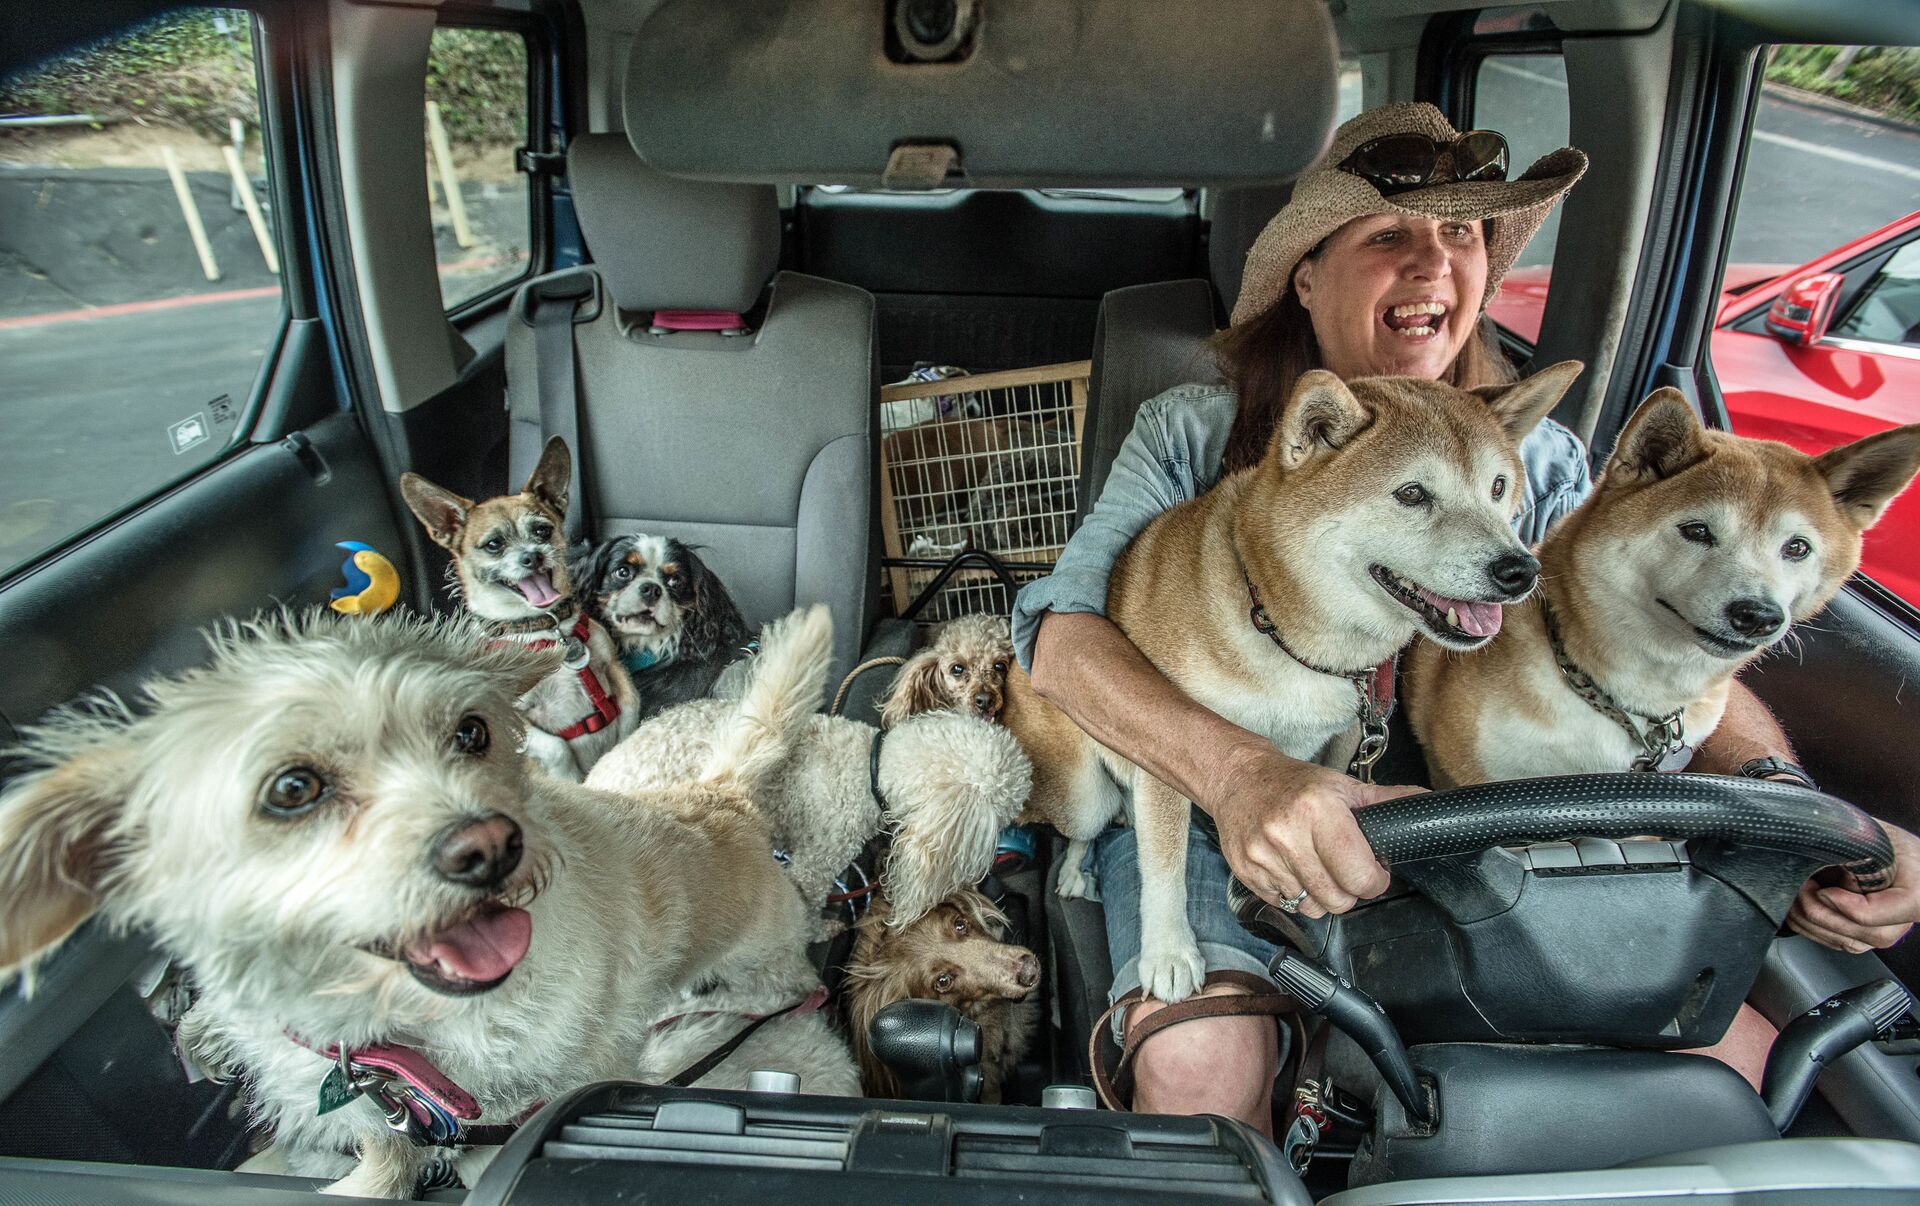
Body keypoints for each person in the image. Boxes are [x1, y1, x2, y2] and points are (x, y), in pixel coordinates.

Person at [1010, 101, 1920, 1132]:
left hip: (1477, 825)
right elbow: (1058, 638)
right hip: (1216, 805)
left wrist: (1781, 800)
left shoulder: (1543, 461)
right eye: (1387, 236)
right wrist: (1239, 776)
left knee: (1735, 1071)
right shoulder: (1193, 430)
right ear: (1306, 276)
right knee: (1201, 1071)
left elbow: (1673, 662)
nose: (1432, 264)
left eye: (1462, 235)